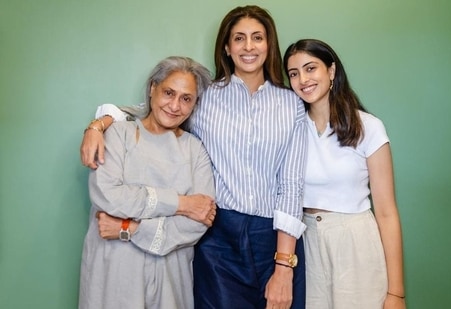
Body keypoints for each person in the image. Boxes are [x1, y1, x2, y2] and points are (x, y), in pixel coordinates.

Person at [79, 5, 307, 309]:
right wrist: (99, 124)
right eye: (239, 38)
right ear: (226, 47)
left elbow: (291, 185)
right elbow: (157, 110)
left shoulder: (291, 104)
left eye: (257, 38)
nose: (249, 47)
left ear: (269, 44)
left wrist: (283, 266)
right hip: (219, 237)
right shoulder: (205, 97)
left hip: (275, 237)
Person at [79, 56, 217, 309]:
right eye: (168, 92)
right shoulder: (119, 134)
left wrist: (129, 228)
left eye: (186, 98)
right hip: (115, 267)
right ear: (153, 88)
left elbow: (198, 220)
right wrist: (181, 203)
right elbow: (108, 196)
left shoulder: (195, 149)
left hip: (171, 273)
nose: (174, 105)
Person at [283, 39, 406, 309]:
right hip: (306, 242)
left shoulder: (368, 127)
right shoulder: (289, 128)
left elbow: (386, 212)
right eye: (294, 74)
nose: (303, 79)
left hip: (355, 241)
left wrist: (396, 294)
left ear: (331, 71)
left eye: (310, 68)